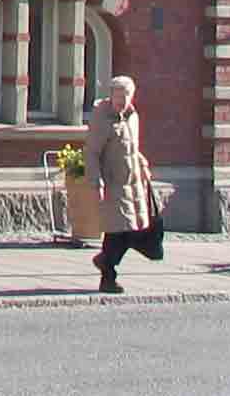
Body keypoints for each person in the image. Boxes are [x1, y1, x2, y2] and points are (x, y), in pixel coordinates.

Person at [84, 74, 152, 294]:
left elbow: (131, 147)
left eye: (126, 96)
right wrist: (96, 180)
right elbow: (92, 152)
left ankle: (104, 260)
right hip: (113, 184)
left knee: (132, 231)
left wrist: (141, 163)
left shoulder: (132, 117)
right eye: (118, 96)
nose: (122, 101)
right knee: (115, 232)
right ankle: (108, 276)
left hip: (132, 184)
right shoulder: (102, 118)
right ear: (111, 95)